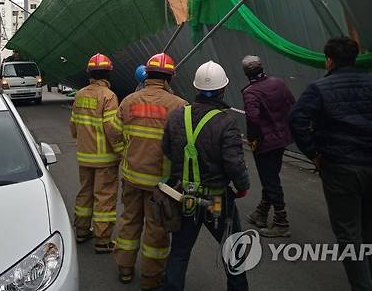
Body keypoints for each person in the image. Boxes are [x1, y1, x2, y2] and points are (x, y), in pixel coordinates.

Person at [290, 37, 372, 291]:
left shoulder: (319, 89)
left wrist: (314, 153)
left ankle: (362, 286)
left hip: (339, 168)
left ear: (329, 60)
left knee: (348, 231)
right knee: (371, 226)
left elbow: (297, 120)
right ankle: (366, 276)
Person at [162, 61, 250, 291]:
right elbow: (234, 163)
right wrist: (242, 186)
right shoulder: (226, 121)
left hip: (185, 198)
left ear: (197, 88)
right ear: (222, 90)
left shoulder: (176, 116)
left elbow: (167, 150)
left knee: (180, 251)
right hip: (216, 201)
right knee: (232, 249)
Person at [113, 53, 187, 290]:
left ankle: (125, 268)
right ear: (169, 78)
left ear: (148, 75)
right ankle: (150, 278)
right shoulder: (179, 106)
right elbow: (185, 147)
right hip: (160, 183)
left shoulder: (128, 101)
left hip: (132, 177)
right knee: (156, 231)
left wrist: (126, 152)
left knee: (129, 222)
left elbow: (114, 132)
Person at [70, 53, 123, 254]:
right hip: (105, 159)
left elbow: (73, 127)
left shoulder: (80, 94)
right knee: (104, 198)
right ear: (108, 73)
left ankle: (82, 231)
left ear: (89, 73)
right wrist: (121, 152)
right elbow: (112, 129)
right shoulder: (108, 96)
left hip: (85, 156)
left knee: (85, 193)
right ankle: (102, 240)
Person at [241, 55, 295, 237]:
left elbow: (253, 118)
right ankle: (261, 213)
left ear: (246, 73)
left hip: (265, 143)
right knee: (270, 177)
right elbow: (292, 105)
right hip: (282, 139)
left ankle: (281, 222)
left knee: (270, 180)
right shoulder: (278, 83)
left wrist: (252, 138)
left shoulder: (251, 92)